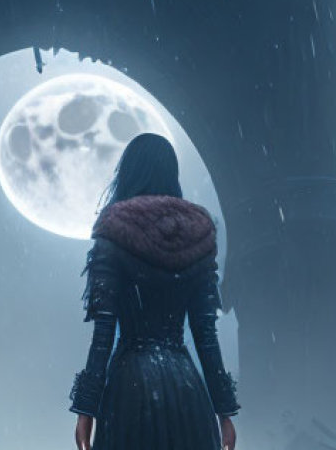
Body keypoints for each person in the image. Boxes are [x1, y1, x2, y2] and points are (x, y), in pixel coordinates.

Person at [69, 132, 239, 450]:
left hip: (128, 390)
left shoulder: (114, 229)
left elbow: (103, 332)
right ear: (171, 175)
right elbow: (205, 334)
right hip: (186, 390)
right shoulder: (199, 234)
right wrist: (224, 411)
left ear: (129, 172)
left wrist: (86, 409)